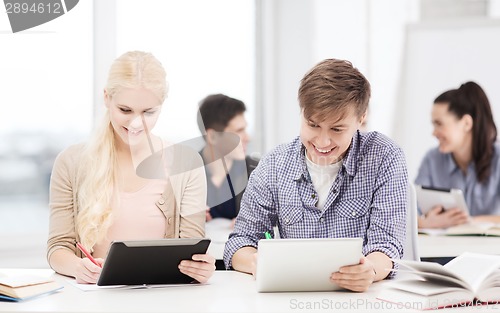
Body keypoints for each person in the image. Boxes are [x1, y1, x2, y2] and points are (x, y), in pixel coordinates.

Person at [223, 58, 408, 292]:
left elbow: (387, 245)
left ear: (361, 119)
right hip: (293, 298)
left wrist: (370, 270)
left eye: (337, 129)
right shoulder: (274, 164)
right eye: (313, 125)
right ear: (302, 112)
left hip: (362, 300)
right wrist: (257, 262)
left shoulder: (384, 156)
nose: (322, 141)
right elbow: (240, 242)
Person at [47, 51, 215, 284]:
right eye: (125, 110)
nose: (136, 123)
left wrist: (199, 268)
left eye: (148, 112)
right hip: (92, 300)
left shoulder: (187, 164)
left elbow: (190, 250)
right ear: (107, 98)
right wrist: (78, 267)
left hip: (165, 300)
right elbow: (58, 248)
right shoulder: (71, 162)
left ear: (162, 105)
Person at [415, 81, 500, 229]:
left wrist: (470, 221)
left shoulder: (497, 159)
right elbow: (406, 210)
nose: (434, 133)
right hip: (443, 250)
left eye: (439, 124)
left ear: (466, 123)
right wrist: (425, 223)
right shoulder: (432, 160)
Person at [197, 94, 259, 222]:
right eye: (239, 131)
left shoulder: (258, 171)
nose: (247, 138)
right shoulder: (184, 174)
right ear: (212, 137)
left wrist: (253, 222)